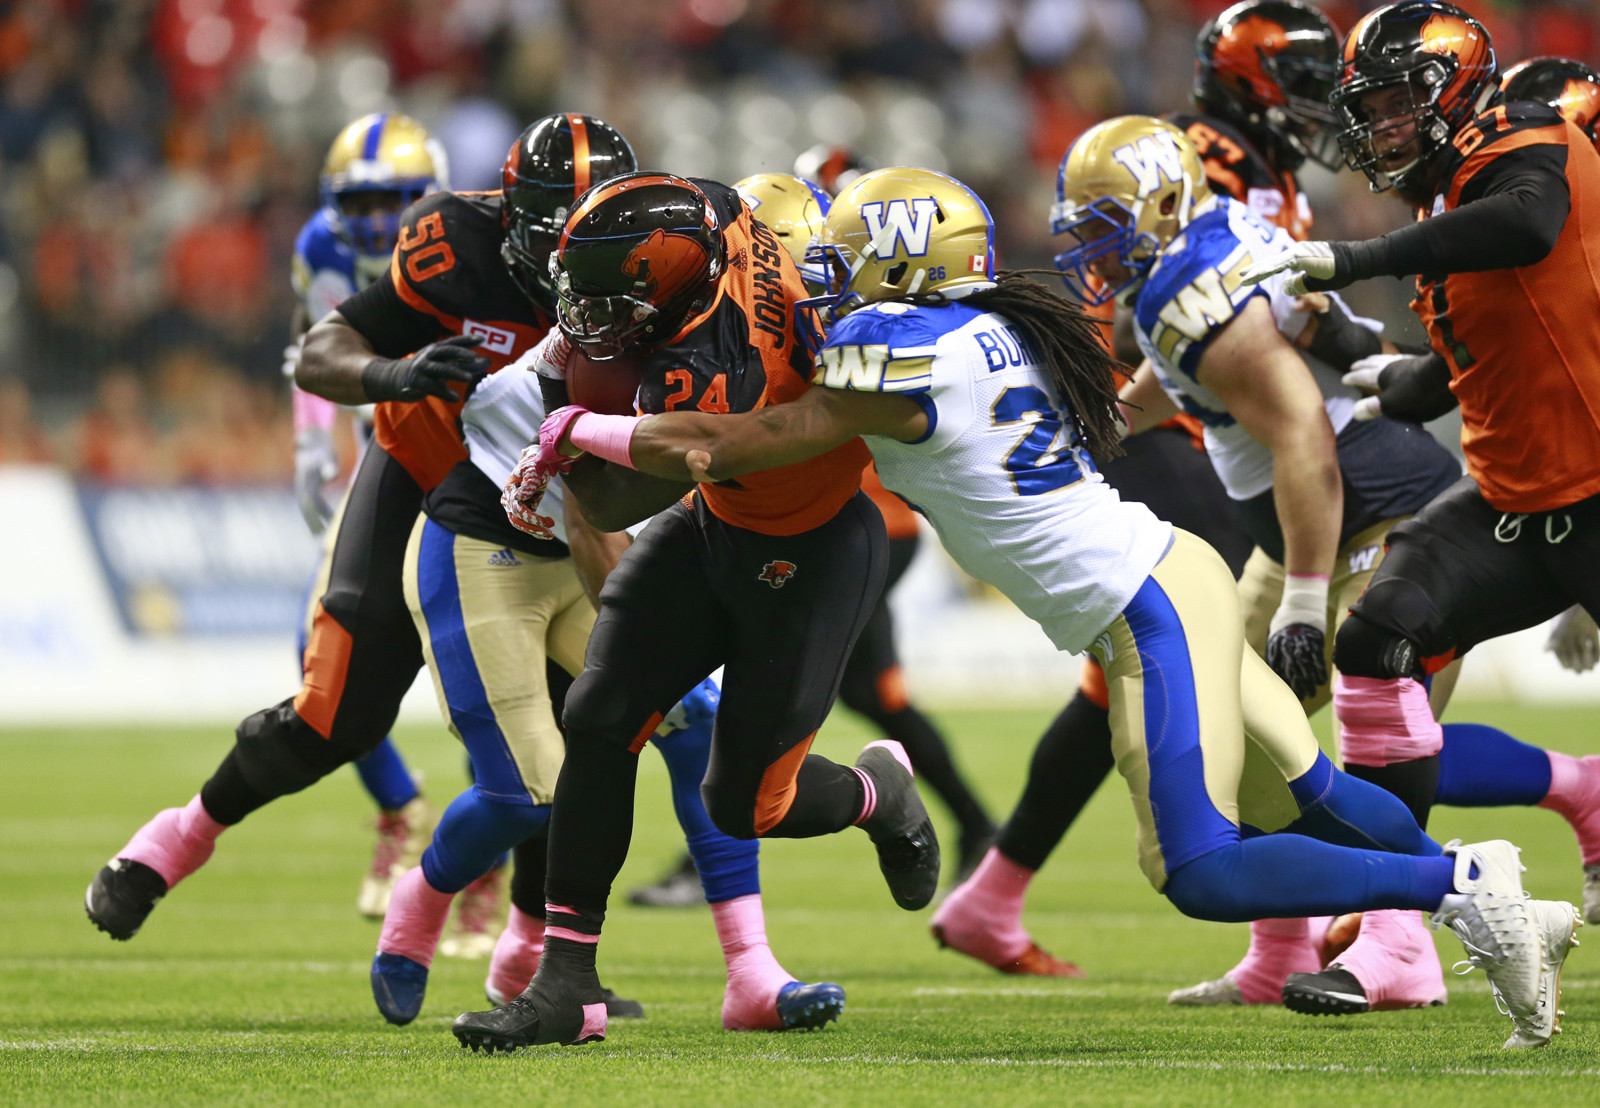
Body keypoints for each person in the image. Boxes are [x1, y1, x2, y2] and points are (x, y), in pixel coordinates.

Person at [521, 164, 1580, 1051]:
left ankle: (1459, 884)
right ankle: (1470, 908)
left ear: (900, 267)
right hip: (1177, 572)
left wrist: (577, 429)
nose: (823, 275)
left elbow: (727, 444)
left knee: (1200, 867)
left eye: (845, 256)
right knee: (1315, 797)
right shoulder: (985, 324)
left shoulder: (894, 348)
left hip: (1142, 609)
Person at [82, 114, 629, 949]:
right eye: (557, 235)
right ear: (513, 214)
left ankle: (541, 961)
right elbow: (323, 348)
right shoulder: (453, 244)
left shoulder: (663, 264)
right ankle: (174, 841)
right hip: (419, 474)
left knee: (563, 735)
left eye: (595, 240)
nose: (570, 265)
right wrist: (397, 373)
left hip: (544, 507)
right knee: (337, 717)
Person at [450, 171, 940, 1053]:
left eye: (610, 301)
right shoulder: (708, 214)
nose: (588, 316)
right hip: (712, 527)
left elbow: (622, 496)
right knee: (598, 716)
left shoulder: (723, 366)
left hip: (813, 549)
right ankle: (567, 982)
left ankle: (878, 793)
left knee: (743, 803)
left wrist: (566, 431)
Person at [932, 0, 1328, 981]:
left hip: (1191, 434)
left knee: (1143, 658)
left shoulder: (1257, 165)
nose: (1319, 109)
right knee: (1232, 657)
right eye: (1302, 87)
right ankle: (1298, 922)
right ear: (1250, 87)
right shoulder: (1200, 163)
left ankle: (992, 893)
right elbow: (1127, 310)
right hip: (1167, 430)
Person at [1245, 0, 1600, 945]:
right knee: (1376, 641)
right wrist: (1406, 381)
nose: (1383, 124)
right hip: (1516, 497)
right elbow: (1501, 339)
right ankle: (1396, 936)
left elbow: (1526, 225)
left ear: (1459, 91)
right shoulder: (1446, 194)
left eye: (1402, 100)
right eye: (1374, 106)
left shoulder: (1526, 136)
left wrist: (1354, 259)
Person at [372, 338, 843, 1031]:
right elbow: (602, 543)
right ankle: (418, 901)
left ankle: (751, 970)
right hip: (483, 553)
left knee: (697, 732)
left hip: (580, 552)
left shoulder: (687, 352)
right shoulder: (580, 378)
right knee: (526, 794)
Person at [626, 172, 994, 911]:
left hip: (851, 529)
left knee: (756, 685)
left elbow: (758, 437)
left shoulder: (865, 332)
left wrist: (602, 433)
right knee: (871, 696)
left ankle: (730, 846)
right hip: (836, 525)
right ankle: (967, 821)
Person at [285, 112, 441, 922]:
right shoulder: (324, 245)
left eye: (394, 198)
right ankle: (398, 807)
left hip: (476, 471)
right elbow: (315, 352)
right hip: (384, 457)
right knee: (320, 651)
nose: (378, 218)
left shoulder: (461, 241)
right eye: (364, 199)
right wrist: (314, 446)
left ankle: (488, 844)